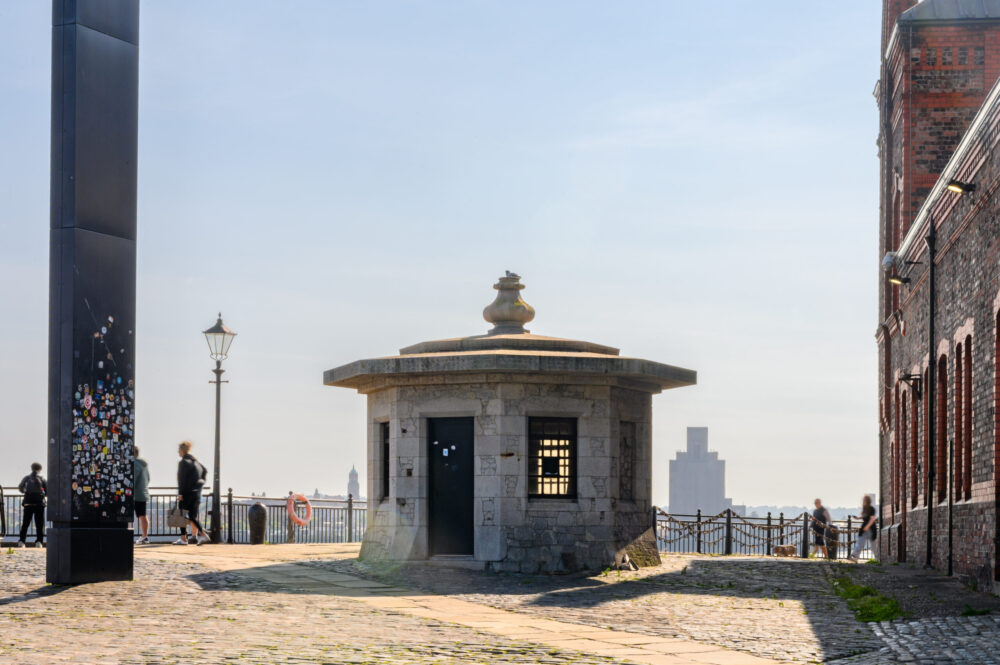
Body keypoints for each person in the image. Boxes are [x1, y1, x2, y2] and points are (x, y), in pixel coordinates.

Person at [174, 441, 209, 545]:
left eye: (178, 450)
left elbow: (181, 479)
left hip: (186, 493)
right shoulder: (196, 462)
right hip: (196, 493)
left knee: (181, 515)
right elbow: (205, 472)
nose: (178, 452)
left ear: (181, 450)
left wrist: (180, 494)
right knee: (192, 516)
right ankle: (202, 534)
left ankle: (184, 539)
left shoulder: (183, 462)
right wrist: (199, 485)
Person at [17, 463, 47, 548]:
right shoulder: (42, 478)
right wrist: (43, 495)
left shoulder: (26, 478)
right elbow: (47, 489)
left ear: (32, 468)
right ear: (40, 469)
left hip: (28, 503)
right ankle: (39, 542)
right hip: (39, 504)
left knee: (25, 523)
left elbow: (20, 487)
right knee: (39, 524)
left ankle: (22, 541)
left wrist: (25, 492)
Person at [848, 494, 878, 562]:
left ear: (867, 501)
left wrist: (867, 526)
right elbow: (864, 516)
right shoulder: (865, 508)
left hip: (871, 529)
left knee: (873, 545)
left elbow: (872, 519)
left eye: (864, 500)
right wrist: (857, 518)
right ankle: (855, 557)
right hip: (864, 529)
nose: (863, 501)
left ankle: (877, 558)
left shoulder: (872, 509)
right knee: (860, 542)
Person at [133, 446, 151, 544]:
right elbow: (148, 479)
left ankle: (144, 536)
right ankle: (145, 535)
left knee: (141, 515)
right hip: (143, 492)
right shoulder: (144, 464)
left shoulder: (135, 463)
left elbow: (133, 478)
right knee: (142, 515)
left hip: (136, 494)